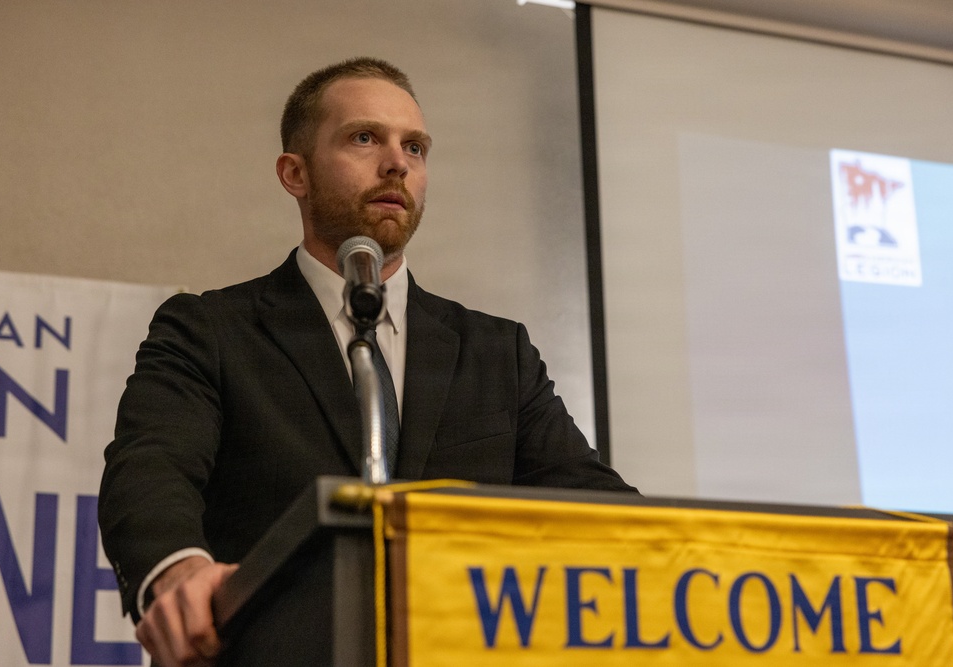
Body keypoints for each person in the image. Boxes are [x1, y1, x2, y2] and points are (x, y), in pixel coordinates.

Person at [98, 57, 635, 667]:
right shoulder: (209, 330)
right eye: (364, 138)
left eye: (415, 146)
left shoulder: (497, 352)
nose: (396, 163)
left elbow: (595, 503)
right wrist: (177, 572)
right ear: (294, 173)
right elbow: (149, 472)